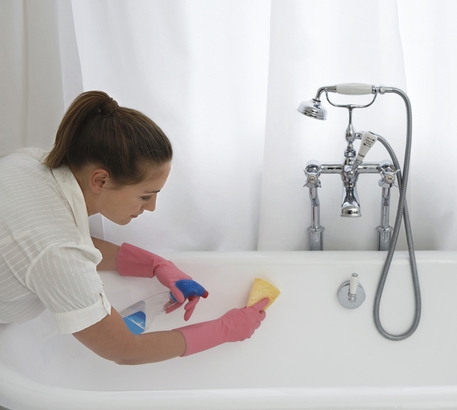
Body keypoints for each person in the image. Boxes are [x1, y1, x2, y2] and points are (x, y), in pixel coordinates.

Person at [0, 90, 267, 364]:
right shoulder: (58, 252)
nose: (151, 207)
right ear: (100, 181)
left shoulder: (29, 163)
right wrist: (224, 330)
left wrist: (152, 264)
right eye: (145, 196)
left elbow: (39, 242)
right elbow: (124, 349)